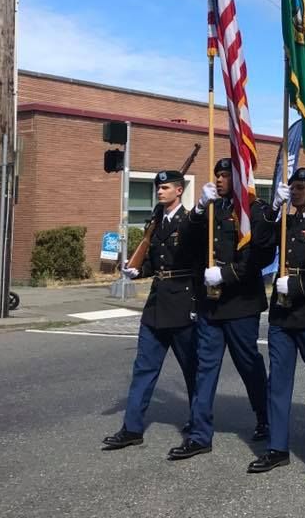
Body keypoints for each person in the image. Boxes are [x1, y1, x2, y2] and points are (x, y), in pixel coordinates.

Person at [170, 159, 277, 460]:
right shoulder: (211, 208)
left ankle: (265, 416)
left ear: (240, 178)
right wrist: (199, 209)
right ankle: (200, 434)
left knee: (248, 364)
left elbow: (259, 255)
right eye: (216, 175)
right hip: (210, 305)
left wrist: (226, 274)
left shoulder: (252, 210)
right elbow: (186, 244)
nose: (219, 180)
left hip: (241, 303)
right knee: (205, 367)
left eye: (225, 175)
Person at [102, 170, 201, 451]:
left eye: (166, 187)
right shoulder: (156, 221)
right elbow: (155, 262)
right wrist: (138, 270)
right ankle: (132, 428)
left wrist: (196, 305)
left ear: (179, 191)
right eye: (158, 187)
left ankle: (198, 422)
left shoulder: (190, 221)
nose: (159, 191)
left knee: (192, 371)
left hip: (183, 304)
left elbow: (195, 263)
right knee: (144, 369)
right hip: (157, 305)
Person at [248, 168, 305, 474]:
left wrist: (298, 286)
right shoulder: (285, 220)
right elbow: (260, 243)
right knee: (278, 383)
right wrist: (271, 209)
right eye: (292, 188)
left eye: (300, 188)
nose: (294, 193)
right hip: (282, 314)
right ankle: (277, 447)